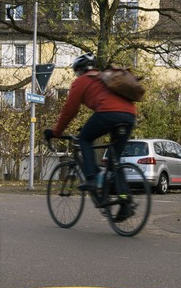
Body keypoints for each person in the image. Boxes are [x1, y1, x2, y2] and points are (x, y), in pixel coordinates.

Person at [44, 53, 137, 195]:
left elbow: (69, 110)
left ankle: (91, 178)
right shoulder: (105, 77)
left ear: (80, 70)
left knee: (84, 139)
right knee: (114, 162)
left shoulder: (81, 81)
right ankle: (125, 200)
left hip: (108, 114)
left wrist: (56, 132)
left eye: (76, 72)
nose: (77, 75)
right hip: (130, 115)